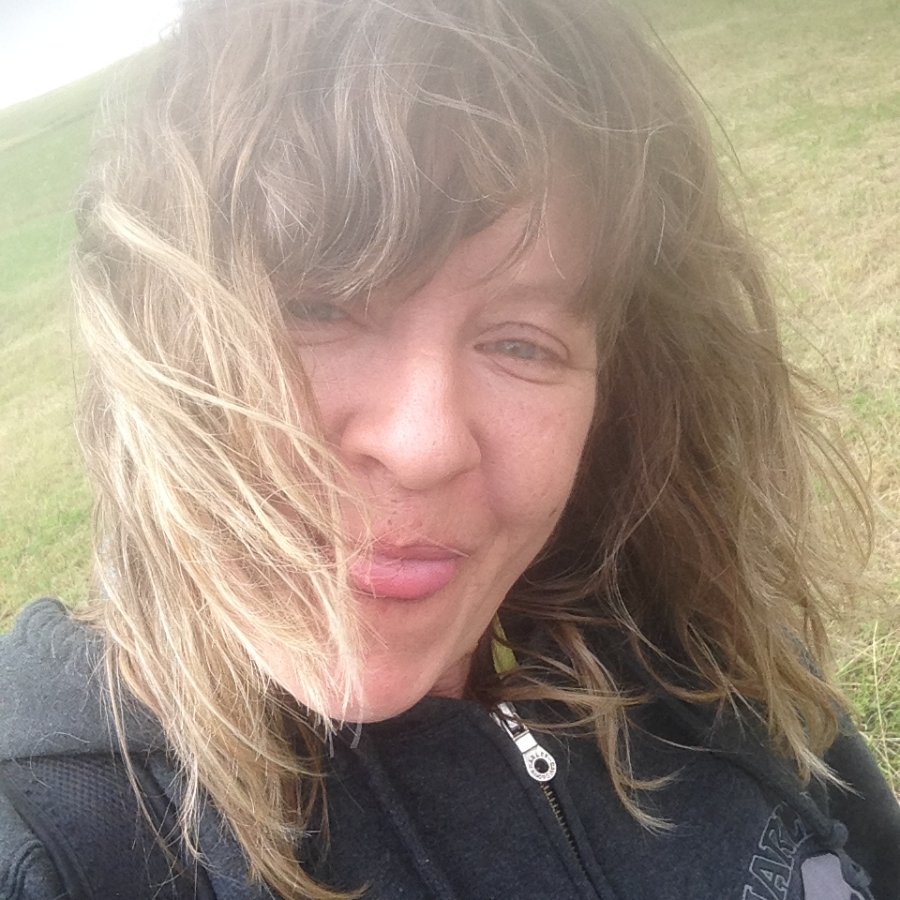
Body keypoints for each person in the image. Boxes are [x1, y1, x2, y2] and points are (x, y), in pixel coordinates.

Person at [1, 0, 898, 897]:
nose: (424, 445)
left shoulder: (708, 662)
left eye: (522, 345)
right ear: (149, 331)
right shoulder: (51, 838)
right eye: (316, 307)